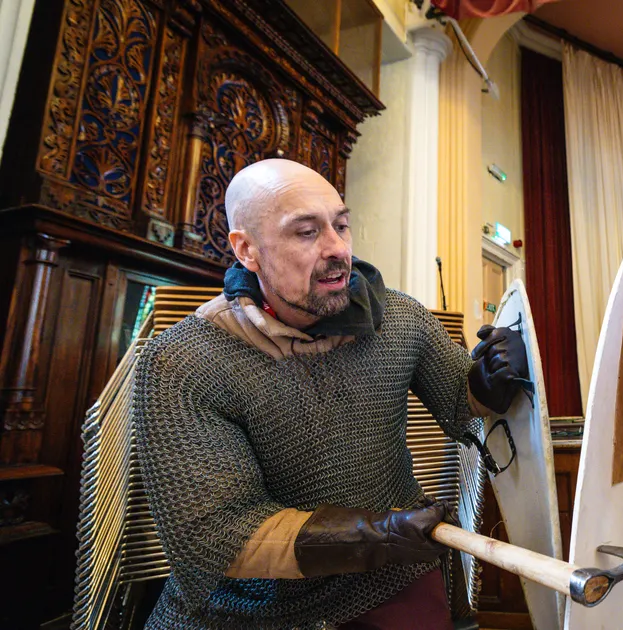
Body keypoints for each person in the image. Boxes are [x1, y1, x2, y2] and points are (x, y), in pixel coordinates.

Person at [134, 159, 528, 629]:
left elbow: (460, 400)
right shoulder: (185, 362)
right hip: (255, 604)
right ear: (247, 249)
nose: (338, 249)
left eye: (341, 225)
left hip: (392, 577)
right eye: (307, 232)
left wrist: (490, 379)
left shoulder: (399, 318)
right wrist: (375, 535)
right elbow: (219, 535)